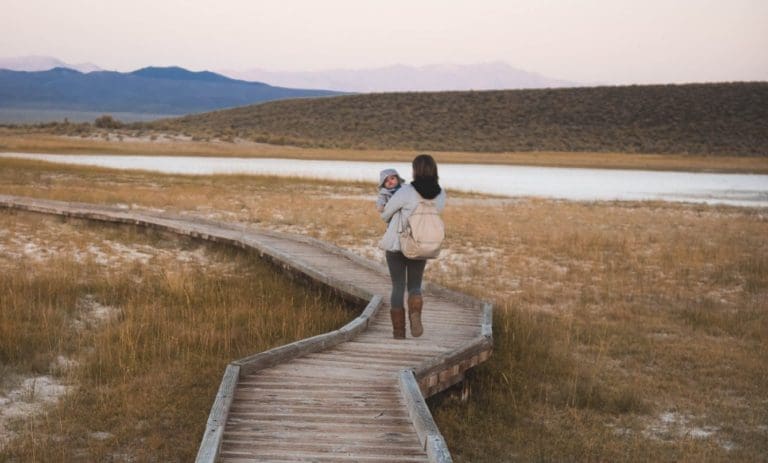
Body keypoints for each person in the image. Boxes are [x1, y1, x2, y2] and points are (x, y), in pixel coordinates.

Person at [379, 154, 445, 339]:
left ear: (415, 170)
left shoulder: (406, 191)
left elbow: (385, 215)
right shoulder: (440, 193)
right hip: (421, 245)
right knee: (415, 286)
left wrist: (399, 210)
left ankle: (399, 332)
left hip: (397, 244)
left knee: (398, 286)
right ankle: (415, 314)